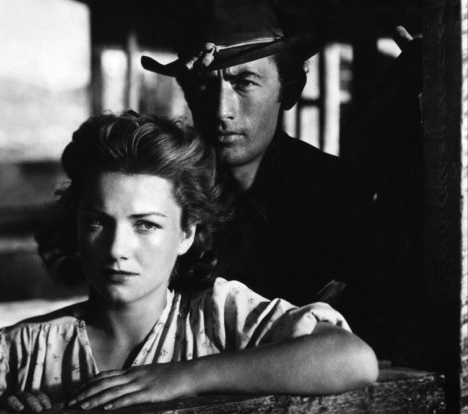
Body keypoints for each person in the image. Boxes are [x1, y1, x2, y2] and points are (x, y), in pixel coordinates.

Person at [0, 112, 378, 412]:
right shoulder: (22, 350)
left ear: (186, 234)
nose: (116, 249)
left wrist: (186, 376)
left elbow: (353, 360)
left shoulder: (219, 315)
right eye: (97, 222)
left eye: (145, 224)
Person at [141, 0, 374, 308]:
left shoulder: (339, 191)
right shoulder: (165, 195)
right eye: (203, 85)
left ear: (289, 89)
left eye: (244, 83)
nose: (221, 111)